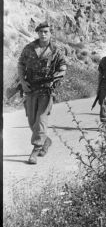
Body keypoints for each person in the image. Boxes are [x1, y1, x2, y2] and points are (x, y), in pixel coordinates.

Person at [17, 21, 67, 165]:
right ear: (37, 33)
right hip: (30, 88)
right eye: (41, 32)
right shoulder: (29, 48)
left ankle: (36, 148)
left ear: (50, 33)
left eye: (46, 32)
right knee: (32, 120)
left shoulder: (56, 50)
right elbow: (21, 64)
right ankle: (46, 140)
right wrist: (22, 81)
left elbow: (63, 66)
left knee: (41, 118)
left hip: (46, 89)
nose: (43, 34)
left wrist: (56, 78)